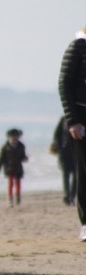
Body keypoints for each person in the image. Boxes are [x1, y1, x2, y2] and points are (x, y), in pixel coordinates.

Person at [58, 24, 86, 242]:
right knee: (84, 172)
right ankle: (85, 223)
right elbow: (64, 85)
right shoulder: (77, 47)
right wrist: (73, 120)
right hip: (81, 120)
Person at [0, 129, 28, 207]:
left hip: (18, 168)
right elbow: (0, 159)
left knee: (18, 183)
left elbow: (23, 156)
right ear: (9, 137)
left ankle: (18, 196)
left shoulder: (21, 146)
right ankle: (9, 199)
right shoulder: (5, 147)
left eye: (16, 136)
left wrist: (25, 158)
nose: (15, 138)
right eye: (13, 136)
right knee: (10, 183)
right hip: (9, 168)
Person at [51, 116, 76, 206]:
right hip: (64, 153)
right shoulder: (63, 119)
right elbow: (57, 135)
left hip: (77, 152)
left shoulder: (81, 117)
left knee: (76, 175)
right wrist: (59, 148)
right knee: (65, 174)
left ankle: (72, 196)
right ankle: (67, 194)